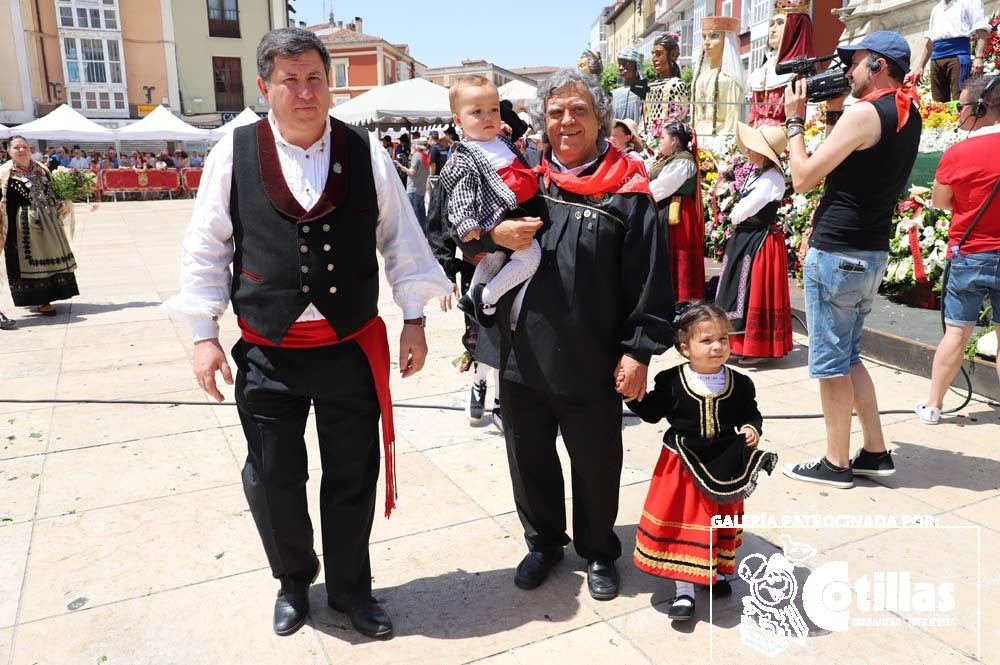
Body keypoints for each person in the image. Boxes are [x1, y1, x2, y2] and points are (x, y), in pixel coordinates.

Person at [162, 27, 451, 639]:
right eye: (289, 80)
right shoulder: (232, 152)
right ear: (266, 86)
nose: (303, 91)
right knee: (272, 478)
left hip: (348, 348)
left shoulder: (365, 151)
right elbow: (206, 249)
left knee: (352, 474)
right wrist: (202, 334)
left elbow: (402, 240)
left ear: (328, 85)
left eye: (314, 78)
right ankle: (294, 582)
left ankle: (351, 589)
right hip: (268, 352)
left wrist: (416, 319)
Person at [465, 68, 674, 601]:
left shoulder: (630, 194)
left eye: (578, 110)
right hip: (521, 355)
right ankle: (543, 543)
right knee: (527, 455)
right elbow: (456, 236)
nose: (566, 121)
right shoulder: (522, 180)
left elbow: (651, 281)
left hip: (591, 358)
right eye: (555, 111)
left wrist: (638, 352)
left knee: (596, 461)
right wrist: (491, 234)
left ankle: (599, 550)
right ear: (542, 121)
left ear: (600, 118)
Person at [781, 31, 921, 488]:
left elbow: (802, 177)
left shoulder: (864, 113)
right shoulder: (908, 111)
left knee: (831, 364)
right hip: (870, 250)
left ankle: (835, 462)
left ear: (878, 65)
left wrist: (795, 123)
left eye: (855, 62)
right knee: (850, 355)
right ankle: (876, 453)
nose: (846, 70)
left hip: (839, 253)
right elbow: (857, 170)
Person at [626, 302, 776, 621]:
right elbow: (652, 412)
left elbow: (750, 411)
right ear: (685, 348)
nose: (717, 346)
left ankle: (714, 572)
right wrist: (629, 394)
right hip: (682, 463)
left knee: (717, 519)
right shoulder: (671, 381)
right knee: (687, 525)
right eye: (706, 340)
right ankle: (684, 591)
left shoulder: (740, 384)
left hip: (724, 461)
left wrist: (752, 426)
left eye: (723, 338)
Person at [916, 75, 1000, 424]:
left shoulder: (958, 152)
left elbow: (941, 201)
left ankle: (934, 405)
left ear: (979, 108)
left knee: (957, 331)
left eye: (962, 106)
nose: (959, 112)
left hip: (970, 252)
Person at [440, 75, 543, 328]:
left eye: (494, 110)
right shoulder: (464, 155)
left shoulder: (499, 140)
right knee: (530, 258)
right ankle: (487, 298)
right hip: (496, 216)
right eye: (477, 112)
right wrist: (467, 222)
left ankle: (470, 298)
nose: (488, 117)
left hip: (512, 210)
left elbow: (511, 145)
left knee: (493, 259)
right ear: (458, 121)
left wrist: (502, 131)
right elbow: (461, 194)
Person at [714, 122, 793, 363]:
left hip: (757, 240)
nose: (748, 151)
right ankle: (738, 343)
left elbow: (743, 211)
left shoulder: (771, 179)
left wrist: (733, 215)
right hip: (746, 237)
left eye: (754, 148)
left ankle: (755, 347)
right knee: (737, 287)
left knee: (749, 290)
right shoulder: (759, 174)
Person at [0, 135, 79, 318]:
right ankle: (40, 298)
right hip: (21, 227)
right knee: (29, 261)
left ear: (30, 149)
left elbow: (54, 192)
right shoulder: (4, 174)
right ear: (8, 152)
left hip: (48, 221)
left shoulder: (42, 169)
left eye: (24, 147)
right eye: (16, 148)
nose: (21, 150)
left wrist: (62, 202)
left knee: (50, 254)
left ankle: (48, 297)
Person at [648, 122, 705, 302]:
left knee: (678, 257)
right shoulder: (672, 158)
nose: (660, 142)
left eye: (662, 138)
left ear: (673, 141)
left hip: (679, 217)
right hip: (671, 213)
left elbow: (660, 188)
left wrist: (640, 194)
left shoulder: (683, 162)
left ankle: (681, 300)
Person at [747, 0, 814, 128]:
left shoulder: (800, 72)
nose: (772, 30)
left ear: (794, 29)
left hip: (785, 138)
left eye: (780, 23)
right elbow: (753, 114)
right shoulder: (762, 70)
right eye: (772, 24)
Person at [910, 0, 990, 102]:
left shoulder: (970, 2)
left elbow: (981, 29)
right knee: (938, 103)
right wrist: (921, 66)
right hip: (936, 59)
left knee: (961, 99)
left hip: (957, 57)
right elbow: (931, 40)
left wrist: (979, 57)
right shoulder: (937, 9)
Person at [691, 16, 747, 136]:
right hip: (697, 136)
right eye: (704, 37)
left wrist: (726, 144)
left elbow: (733, 115)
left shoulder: (729, 77)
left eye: (714, 36)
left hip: (719, 137)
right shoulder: (700, 75)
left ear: (726, 40)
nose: (706, 42)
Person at [612, 47, 648, 127]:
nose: (621, 68)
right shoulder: (614, 94)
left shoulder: (643, 91)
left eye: (626, 64)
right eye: (619, 64)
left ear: (636, 67)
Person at [400, 137, 429, 231]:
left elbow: (412, 172)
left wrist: (403, 168)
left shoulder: (416, 155)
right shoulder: (425, 156)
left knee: (414, 211)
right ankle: (423, 231)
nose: (412, 146)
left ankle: (416, 231)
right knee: (421, 211)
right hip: (421, 188)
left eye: (413, 144)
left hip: (413, 187)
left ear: (416, 146)